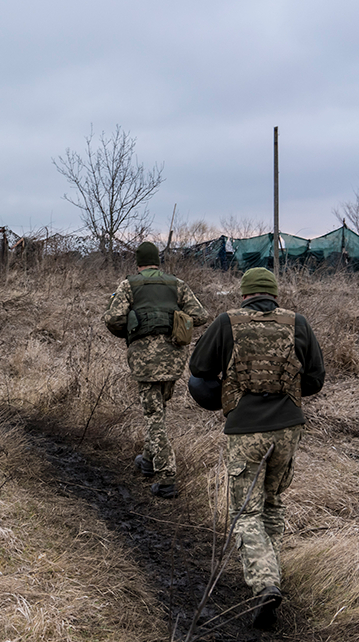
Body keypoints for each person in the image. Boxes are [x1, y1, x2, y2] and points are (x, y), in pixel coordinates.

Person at [187, 267, 325, 630]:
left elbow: (198, 369)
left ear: (245, 293)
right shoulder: (298, 322)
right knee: (273, 503)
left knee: (245, 512)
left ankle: (265, 584)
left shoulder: (227, 322)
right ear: (274, 294)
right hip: (288, 427)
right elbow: (314, 379)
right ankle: (272, 574)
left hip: (246, 428)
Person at [103, 241, 209, 499]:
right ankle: (149, 460)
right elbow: (201, 315)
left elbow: (113, 319)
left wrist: (132, 330)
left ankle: (167, 477)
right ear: (158, 261)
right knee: (158, 409)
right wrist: (173, 325)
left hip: (144, 360)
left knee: (153, 416)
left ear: (137, 262)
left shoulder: (129, 284)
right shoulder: (177, 284)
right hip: (174, 358)